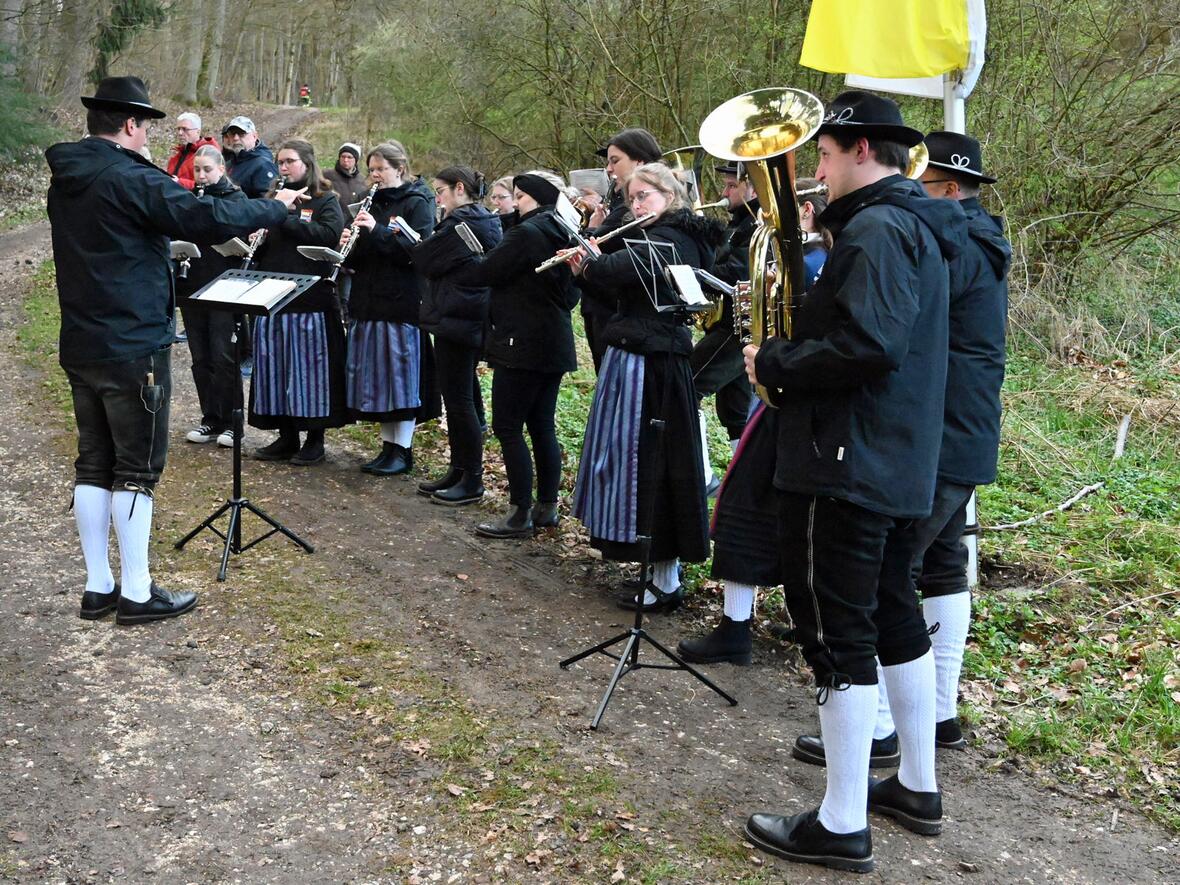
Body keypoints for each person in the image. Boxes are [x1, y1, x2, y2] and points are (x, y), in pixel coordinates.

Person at [740, 92, 967, 873]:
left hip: (844, 460)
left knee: (837, 629)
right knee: (895, 613)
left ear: (862, 149)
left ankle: (841, 820)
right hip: (892, 458)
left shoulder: (874, 230)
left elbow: (867, 345)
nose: (817, 171)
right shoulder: (913, 226)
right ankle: (914, 782)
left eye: (826, 154)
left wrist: (774, 364)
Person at [45, 76, 300, 625]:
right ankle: (137, 593)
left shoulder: (66, 177)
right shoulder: (129, 178)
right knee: (136, 469)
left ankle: (98, 587)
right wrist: (275, 208)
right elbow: (206, 218)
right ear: (131, 124)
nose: (147, 137)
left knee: (93, 462)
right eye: (145, 127)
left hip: (82, 339)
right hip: (133, 341)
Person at [833, 132, 1007, 757]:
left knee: (893, 571)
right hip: (959, 429)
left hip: (941, 432)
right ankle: (938, 715)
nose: (909, 195)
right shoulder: (969, 238)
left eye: (920, 185)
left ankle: (883, 725)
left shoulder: (951, 241)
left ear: (951, 189)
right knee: (939, 564)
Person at [676, 179, 831, 667]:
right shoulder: (836, 256)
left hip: (785, 401)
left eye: (772, 210)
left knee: (741, 504)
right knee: (805, 517)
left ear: (804, 211)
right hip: (815, 410)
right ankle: (808, 618)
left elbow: (782, 333)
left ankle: (735, 628)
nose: (764, 219)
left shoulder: (803, 264)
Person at [569, 162, 722, 611]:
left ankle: (666, 578)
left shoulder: (674, 239)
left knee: (656, 465)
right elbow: (615, 292)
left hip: (655, 366)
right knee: (634, 464)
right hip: (635, 357)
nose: (636, 205)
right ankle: (651, 570)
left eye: (645, 197)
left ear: (669, 197)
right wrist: (585, 270)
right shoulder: (649, 236)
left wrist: (594, 261)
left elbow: (619, 271)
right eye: (632, 198)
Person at [452, 170, 579, 537]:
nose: (513, 203)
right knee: (542, 426)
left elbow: (485, 271)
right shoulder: (562, 230)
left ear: (535, 200)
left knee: (508, 426)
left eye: (519, 197)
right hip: (553, 341)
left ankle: (519, 512)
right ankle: (546, 507)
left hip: (520, 342)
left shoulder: (527, 233)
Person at [341, 141, 440, 475]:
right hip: (369, 300)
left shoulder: (419, 201)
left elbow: (416, 250)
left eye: (381, 169)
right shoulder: (372, 201)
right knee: (380, 380)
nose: (375, 176)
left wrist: (376, 231)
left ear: (400, 168)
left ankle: (403, 450)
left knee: (401, 379)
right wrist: (348, 246)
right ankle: (387, 448)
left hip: (401, 302)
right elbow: (360, 258)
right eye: (371, 170)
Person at [248, 139, 347, 465]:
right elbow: (265, 247)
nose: (283, 167)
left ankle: (314, 440)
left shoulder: (325, 199)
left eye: (290, 160)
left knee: (310, 375)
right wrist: (256, 238)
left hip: (310, 302)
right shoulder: (273, 199)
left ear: (307, 162)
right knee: (277, 371)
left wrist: (284, 219)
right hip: (272, 298)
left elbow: (328, 235)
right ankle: (286, 436)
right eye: (280, 161)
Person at [412, 165, 503, 504]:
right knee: (458, 397)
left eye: (441, 191)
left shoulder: (463, 224)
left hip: (459, 318)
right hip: (459, 316)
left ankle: (472, 478)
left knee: (460, 400)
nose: (437, 197)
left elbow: (424, 259)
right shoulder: (484, 220)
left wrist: (422, 245)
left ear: (459, 189)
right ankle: (459, 468)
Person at [688, 162, 759, 497]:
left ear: (752, 188)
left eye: (732, 186)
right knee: (734, 411)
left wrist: (698, 267)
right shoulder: (738, 223)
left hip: (737, 328)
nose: (724, 193)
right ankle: (744, 483)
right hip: (732, 324)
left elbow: (740, 270)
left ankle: (704, 479)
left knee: (687, 387)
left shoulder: (758, 225)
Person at [177, 145, 254, 448]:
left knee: (224, 356)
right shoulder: (192, 198)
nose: (202, 175)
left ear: (222, 169)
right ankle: (210, 418)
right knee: (200, 357)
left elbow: (242, 234)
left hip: (225, 286)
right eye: (197, 170)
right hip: (193, 286)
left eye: (207, 169)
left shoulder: (236, 199)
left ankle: (233, 423)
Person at [579, 127, 662, 372]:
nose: (609, 169)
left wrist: (591, 232)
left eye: (615, 161)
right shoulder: (618, 202)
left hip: (622, 311)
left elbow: (606, 245)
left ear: (640, 160)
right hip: (602, 303)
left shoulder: (634, 210)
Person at [222, 116, 280, 198]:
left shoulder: (263, 165)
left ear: (254, 136)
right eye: (231, 134)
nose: (235, 138)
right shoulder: (230, 162)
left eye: (241, 134)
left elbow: (268, 204)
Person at [164, 112, 218, 190]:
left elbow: (210, 185)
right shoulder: (177, 154)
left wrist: (180, 183)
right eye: (178, 129)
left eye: (185, 129)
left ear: (198, 131)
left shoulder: (209, 153)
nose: (180, 133)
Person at [324, 142, 371, 220]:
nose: (346, 160)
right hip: (331, 219)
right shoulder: (327, 175)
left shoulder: (362, 180)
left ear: (355, 160)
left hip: (352, 224)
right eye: (343, 156)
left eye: (349, 157)